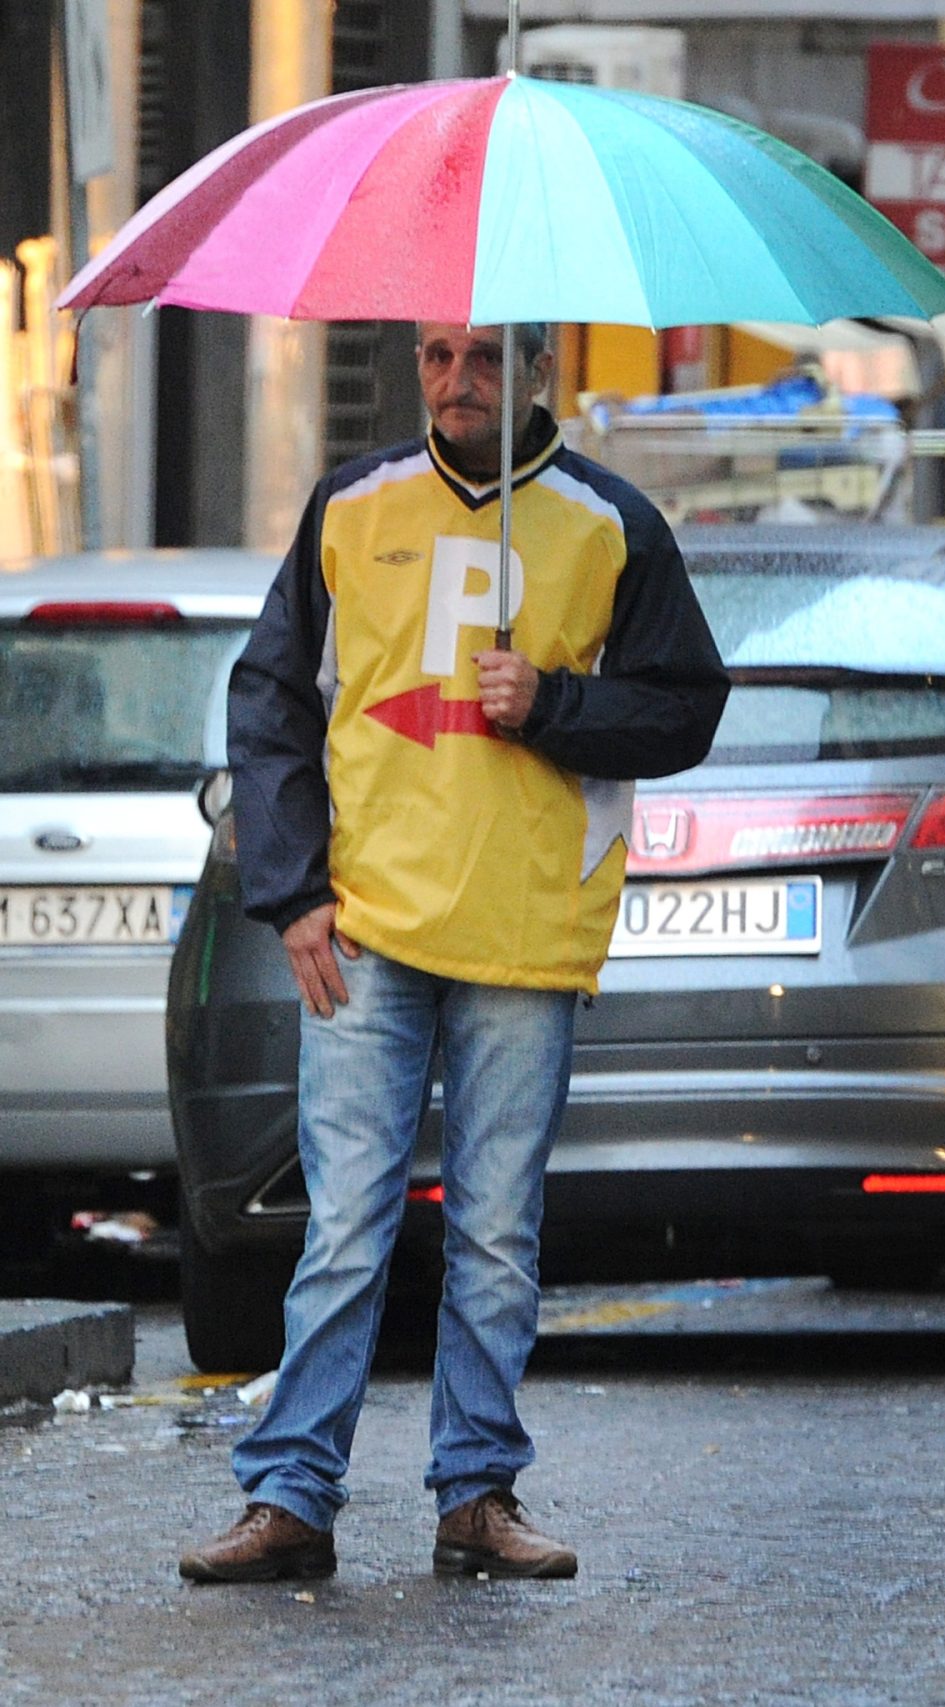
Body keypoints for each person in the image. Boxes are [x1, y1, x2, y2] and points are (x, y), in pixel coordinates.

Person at [179, 322, 729, 1584]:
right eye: (435, 356)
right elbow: (271, 702)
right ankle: (289, 1497)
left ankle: (476, 1493)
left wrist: (555, 703)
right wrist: (292, 892)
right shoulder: (350, 506)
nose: (455, 381)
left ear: (537, 371)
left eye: (484, 357)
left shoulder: (612, 524)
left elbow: (687, 708)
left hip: (529, 929)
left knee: (494, 1235)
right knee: (343, 1225)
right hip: (367, 926)